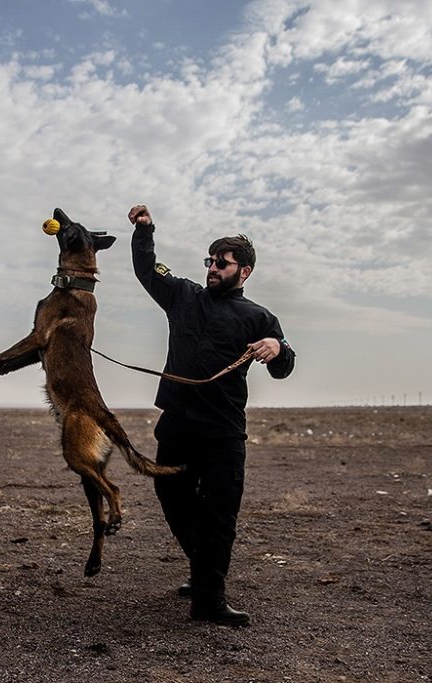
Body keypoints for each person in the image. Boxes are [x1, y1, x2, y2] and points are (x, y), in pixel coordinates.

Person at [127, 204, 296, 627]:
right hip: (178, 424)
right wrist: (145, 231)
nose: (213, 268)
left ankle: (209, 599)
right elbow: (147, 270)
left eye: (222, 263)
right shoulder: (182, 296)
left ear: (245, 272)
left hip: (223, 432)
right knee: (173, 498)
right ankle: (203, 567)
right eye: (210, 261)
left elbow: (282, 365)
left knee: (219, 513)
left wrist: (278, 348)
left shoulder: (258, 317)